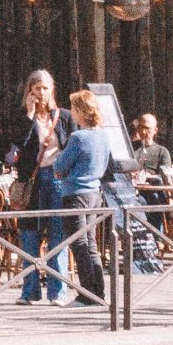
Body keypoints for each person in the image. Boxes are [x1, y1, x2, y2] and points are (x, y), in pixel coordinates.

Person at [5, 70, 64, 305]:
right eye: (37, 88)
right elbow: (17, 145)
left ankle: (57, 292)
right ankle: (30, 291)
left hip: (57, 179)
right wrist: (29, 115)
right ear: (29, 90)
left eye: (45, 88)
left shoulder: (62, 116)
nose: (41, 93)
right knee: (30, 235)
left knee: (58, 235)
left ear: (52, 90)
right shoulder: (21, 117)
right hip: (32, 180)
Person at [49, 90, 110, 307]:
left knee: (79, 244)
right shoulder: (103, 135)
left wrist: (57, 163)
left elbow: (60, 166)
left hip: (75, 193)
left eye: (74, 109)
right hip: (94, 192)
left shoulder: (78, 137)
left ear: (80, 111)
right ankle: (98, 292)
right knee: (90, 244)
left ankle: (86, 294)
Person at [129, 114, 172, 181]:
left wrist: (150, 176)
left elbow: (166, 176)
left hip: (153, 186)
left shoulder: (162, 152)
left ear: (155, 130)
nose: (143, 131)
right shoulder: (129, 148)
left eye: (147, 128)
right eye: (141, 127)